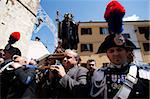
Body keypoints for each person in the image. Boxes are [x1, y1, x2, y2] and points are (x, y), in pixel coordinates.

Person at [90, 34, 150, 99]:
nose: (116, 53)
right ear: (107, 55)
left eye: (119, 50)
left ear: (127, 52)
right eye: (111, 51)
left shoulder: (143, 73)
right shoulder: (99, 75)